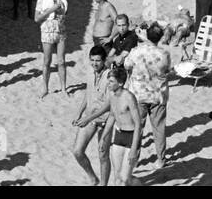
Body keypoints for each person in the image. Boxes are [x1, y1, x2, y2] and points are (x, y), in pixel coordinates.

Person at [78, 65, 141, 185]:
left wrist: (134, 148)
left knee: (125, 178)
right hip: (118, 135)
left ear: (121, 83)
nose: (108, 84)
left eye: (111, 81)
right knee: (117, 177)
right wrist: (103, 137)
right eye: (108, 81)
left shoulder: (129, 97)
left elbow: (138, 124)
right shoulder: (112, 95)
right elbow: (112, 116)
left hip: (131, 136)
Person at [125, 22, 172, 172]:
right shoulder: (164, 54)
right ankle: (161, 159)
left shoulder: (136, 51)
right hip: (158, 95)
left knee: (137, 128)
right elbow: (166, 70)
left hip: (138, 95)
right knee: (159, 129)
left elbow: (127, 65)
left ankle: (134, 159)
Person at [71, 45, 114, 185]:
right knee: (77, 151)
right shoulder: (90, 72)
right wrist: (78, 112)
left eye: (98, 60)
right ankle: (93, 178)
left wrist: (87, 118)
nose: (95, 64)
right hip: (89, 117)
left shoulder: (110, 76)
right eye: (92, 60)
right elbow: (88, 94)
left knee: (103, 155)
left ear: (104, 60)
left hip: (105, 120)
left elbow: (109, 104)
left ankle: (103, 184)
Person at [35, 0, 69, 96]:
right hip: (48, 31)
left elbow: (65, 12)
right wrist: (51, 10)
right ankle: (45, 88)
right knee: (47, 61)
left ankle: (63, 88)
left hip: (60, 31)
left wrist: (60, 11)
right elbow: (37, 18)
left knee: (61, 61)